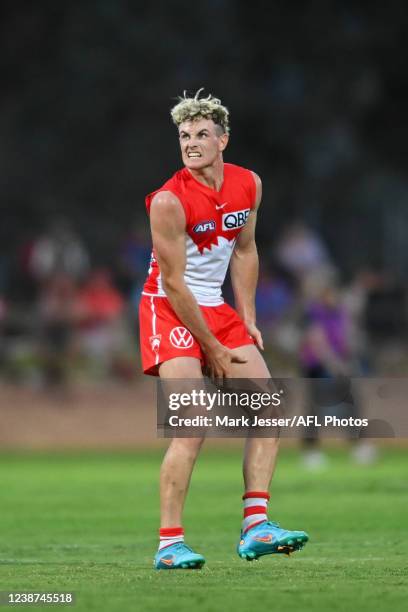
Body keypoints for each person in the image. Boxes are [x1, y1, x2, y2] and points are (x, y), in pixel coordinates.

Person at [139, 90, 309, 570]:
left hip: (214, 308)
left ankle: (256, 525)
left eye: (200, 135)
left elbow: (246, 249)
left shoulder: (249, 184)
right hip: (168, 309)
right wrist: (211, 346)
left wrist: (248, 316)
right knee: (191, 427)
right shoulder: (168, 201)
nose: (191, 144)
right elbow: (173, 284)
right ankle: (169, 545)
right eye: (183, 136)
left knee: (269, 407)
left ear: (222, 140)